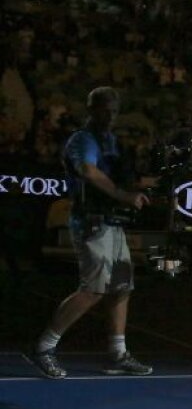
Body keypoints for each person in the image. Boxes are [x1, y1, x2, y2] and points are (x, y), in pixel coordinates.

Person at [29, 87, 153, 379]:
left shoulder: (112, 141)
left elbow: (124, 176)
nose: (109, 115)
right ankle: (44, 348)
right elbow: (88, 170)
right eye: (104, 109)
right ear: (91, 109)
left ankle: (119, 354)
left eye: (114, 110)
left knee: (123, 287)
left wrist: (153, 185)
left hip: (113, 222)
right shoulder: (82, 139)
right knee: (93, 289)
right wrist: (123, 195)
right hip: (90, 222)